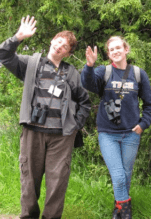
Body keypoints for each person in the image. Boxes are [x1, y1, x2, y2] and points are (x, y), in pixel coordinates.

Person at [0, 15, 91, 219]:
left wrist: (75, 125)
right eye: (59, 41)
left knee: (57, 182)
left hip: (61, 137)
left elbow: (84, 102)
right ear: (52, 40)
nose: (60, 46)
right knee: (29, 181)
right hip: (33, 132)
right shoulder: (31, 64)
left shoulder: (70, 73)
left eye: (65, 46)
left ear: (68, 53)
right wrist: (18, 37)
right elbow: (4, 55)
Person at [81, 36, 151, 219]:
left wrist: (142, 125)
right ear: (109, 54)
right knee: (119, 175)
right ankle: (126, 214)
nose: (115, 51)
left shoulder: (138, 74)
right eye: (111, 49)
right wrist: (89, 66)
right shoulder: (103, 72)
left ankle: (119, 209)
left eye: (118, 48)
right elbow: (87, 84)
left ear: (126, 49)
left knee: (126, 175)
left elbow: (150, 104)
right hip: (108, 134)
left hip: (131, 134)